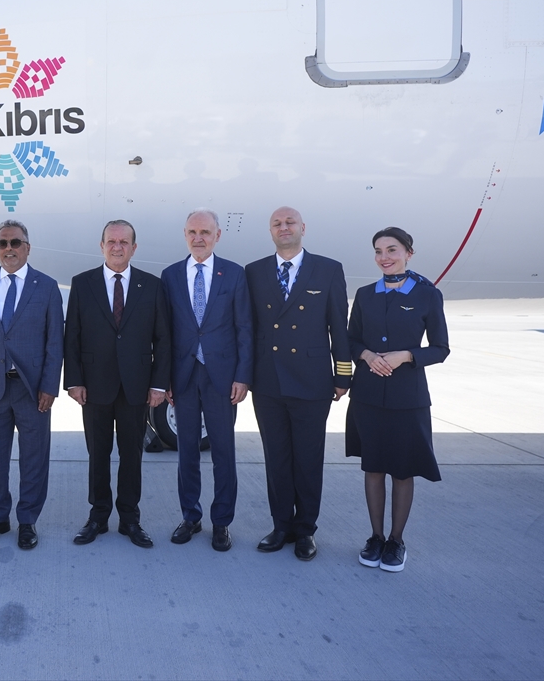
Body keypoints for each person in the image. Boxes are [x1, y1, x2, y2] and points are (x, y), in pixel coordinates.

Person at [245, 206, 352, 561]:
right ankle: (281, 526)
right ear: (270, 231)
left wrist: (343, 374)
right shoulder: (254, 271)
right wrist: (245, 375)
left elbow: (339, 326)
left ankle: (305, 530)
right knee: (276, 457)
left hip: (312, 380)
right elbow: (248, 329)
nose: (284, 227)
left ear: (303, 227)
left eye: (290, 222)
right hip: (268, 381)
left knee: (308, 459)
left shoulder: (328, 269)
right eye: (277, 223)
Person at [346, 227, 449, 572]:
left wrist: (406, 355)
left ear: (408, 253)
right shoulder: (365, 294)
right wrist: (366, 356)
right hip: (368, 395)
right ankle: (375, 538)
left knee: (403, 471)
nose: (384, 257)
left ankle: (396, 540)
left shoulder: (427, 295)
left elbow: (440, 349)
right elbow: (351, 340)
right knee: (373, 467)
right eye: (378, 251)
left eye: (392, 250)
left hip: (408, 397)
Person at [65, 219, 170, 549]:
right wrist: (74, 381)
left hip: (136, 386)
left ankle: (129, 518)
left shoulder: (151, 286)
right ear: (102, 246)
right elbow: (72, 336)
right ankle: (98, 516)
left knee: (131, 455)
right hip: (94, 386)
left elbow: (163, 339)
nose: (117, 247)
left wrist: (158, 384)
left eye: (124, 242)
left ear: (134, 248)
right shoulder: (83, 284)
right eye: (111, 241)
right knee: (98, 454)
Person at [0, 220, 63, 550]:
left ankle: (28, 520)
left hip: (31, 389)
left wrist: (50, 385)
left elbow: (55, 341)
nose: (9, 249)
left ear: (27, 248)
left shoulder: (46, 287)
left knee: (34, 457)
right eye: (2, 243)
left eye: (15, 243)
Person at [160, 209, 252, 551]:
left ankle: (222, 522)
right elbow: (164, 332)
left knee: (223, 453)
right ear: (185, 235)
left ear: (217, 236)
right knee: (186, 452)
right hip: (183, 376)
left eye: (205, 232)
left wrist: (242, 376)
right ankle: (190, 516)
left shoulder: (234, 274)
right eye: (192, 232)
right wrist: (164, 378)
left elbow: (244, 329)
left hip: (222, 378)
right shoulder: (170, 275)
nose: (198, 238)